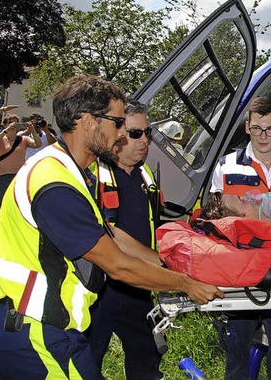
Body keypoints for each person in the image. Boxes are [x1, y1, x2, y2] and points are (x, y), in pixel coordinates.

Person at [0, 75, 223, 380]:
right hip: (35, 331)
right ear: (88, 121)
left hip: (49, 328)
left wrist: (173, 265)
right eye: (117, 123)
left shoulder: (75, 171)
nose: (121, 134)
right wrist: (185, 285)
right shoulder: (54, 183)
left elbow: (112, 236)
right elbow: (118, 265)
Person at [210, 97, 271, 380]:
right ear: (247, 127)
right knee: (236, 347)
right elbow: (215, 217)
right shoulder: (227, 166)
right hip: (241, 267)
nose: (263, 136)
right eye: (257, 129)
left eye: (270, 129)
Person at [86, 100, 164, 379]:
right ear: (118, 133)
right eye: (135, 134)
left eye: (147, 133)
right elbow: (111, 236)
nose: (144, 140)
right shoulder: (94, 175)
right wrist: (164, 265)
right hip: (100, 289)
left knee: (147, 358)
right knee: (86, 361)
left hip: (138, 287)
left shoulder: (146, 175)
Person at [0, 112, 41, 212]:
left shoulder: (23, 139)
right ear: (4, 124)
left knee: (14, 204)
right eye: (10, 122)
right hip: (1, 177)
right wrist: (6, 130)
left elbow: (37, 144)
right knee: (0, 204)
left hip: (17, 176)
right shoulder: (1, 138)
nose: (13, 124)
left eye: (15, 123)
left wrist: (32, 130)